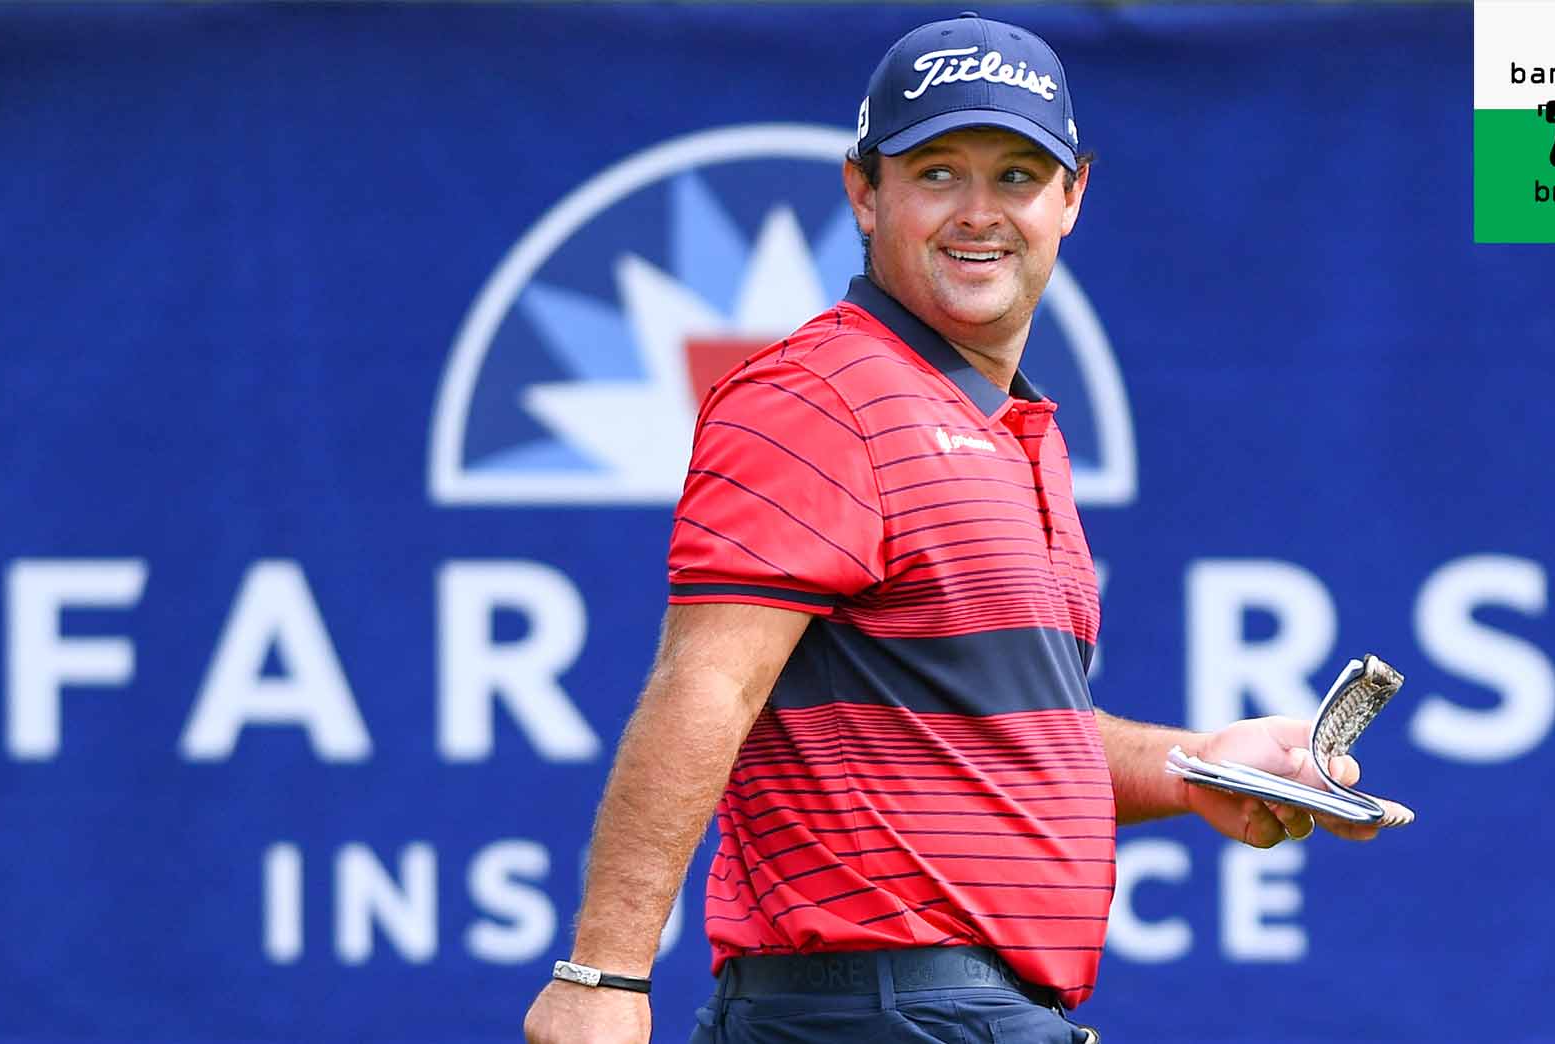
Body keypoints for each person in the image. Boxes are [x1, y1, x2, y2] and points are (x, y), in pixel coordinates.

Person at [524, 13, 1380, 1043]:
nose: (979, 214)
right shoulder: (818, 392)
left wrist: (1195, 766)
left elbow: (978, 738)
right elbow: (708, 683)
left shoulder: (1015, 428)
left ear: (1072, 199)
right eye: (937, 173)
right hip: (874, 1013)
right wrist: (604, 978)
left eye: (1017, 176)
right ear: (862, 192)